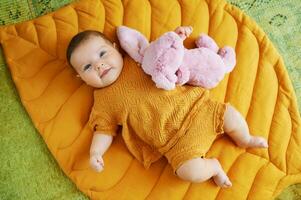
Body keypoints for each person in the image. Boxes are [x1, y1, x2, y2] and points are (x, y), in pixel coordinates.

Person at [66, 27, 268, 188]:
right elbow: (104, 130)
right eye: (87, 67)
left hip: (197, 109)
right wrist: (95, 153)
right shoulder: (103, 101)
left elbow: (166, 54)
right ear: (80, 77)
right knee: (189, 172)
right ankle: (214, 168)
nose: (99, 66)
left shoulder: (139, 59)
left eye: (102, 54)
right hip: (175, 144)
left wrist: (177, 38)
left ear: (116, 47)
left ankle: (244, 139)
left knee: (230, 115)